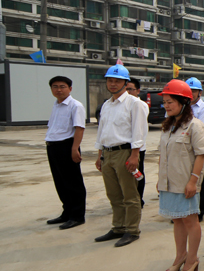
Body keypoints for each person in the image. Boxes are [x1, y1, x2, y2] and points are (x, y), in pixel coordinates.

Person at [157, 79, 204, 271]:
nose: (166, 106)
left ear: (184, 102)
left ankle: (192, 259)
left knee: (190, 220)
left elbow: (201, 155)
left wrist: (193, 181)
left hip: (185, 183)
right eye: (164, 102)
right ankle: (180, 256)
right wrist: (160, 179)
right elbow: (163, 154)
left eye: (170, 102)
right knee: (177, 219)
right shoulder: (168, 126)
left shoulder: (195, 126)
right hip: (169, 182)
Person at [94, 64, 148, 247]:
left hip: (125, 153)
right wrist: (99, 155)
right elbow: (102, 131)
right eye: (110, 80)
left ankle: (132, 230)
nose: (113, 84)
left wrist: (134, 156)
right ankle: (118, 227)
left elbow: (138, 132)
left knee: (130, 195)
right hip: (108, 153)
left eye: (117, 81)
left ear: (125, 83)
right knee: (113, 194)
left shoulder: (135, 104)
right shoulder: (106, 105)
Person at [45, 76, 87, 230]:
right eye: (55, 87)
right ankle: (67, 212)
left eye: (62, 86)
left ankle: (77, 216)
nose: (59, 90)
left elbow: (79, 128)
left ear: (70, 89)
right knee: (60, 181)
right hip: (53, 146)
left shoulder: (75, 106)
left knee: (73, 182)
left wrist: (75, 148)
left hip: (67, 146)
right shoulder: (56, 105)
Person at [186, 77, 204, 221]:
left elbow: (202, 130)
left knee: (198, 180)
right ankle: (182, 210)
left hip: (197, 149)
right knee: (182, 179)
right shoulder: (181, 106)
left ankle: (198, 211)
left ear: (199, 93)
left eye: (194, 91)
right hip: (182, 149)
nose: (191, 93)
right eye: (188, 90)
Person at [125, 78, 149, 209]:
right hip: (124, 147)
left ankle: (139, 199)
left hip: (138, 147)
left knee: (137, 174)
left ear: (138, 91)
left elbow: (139, 129)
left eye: (131, 89)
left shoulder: (140, 105)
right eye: (126, 89)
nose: (128, 92)